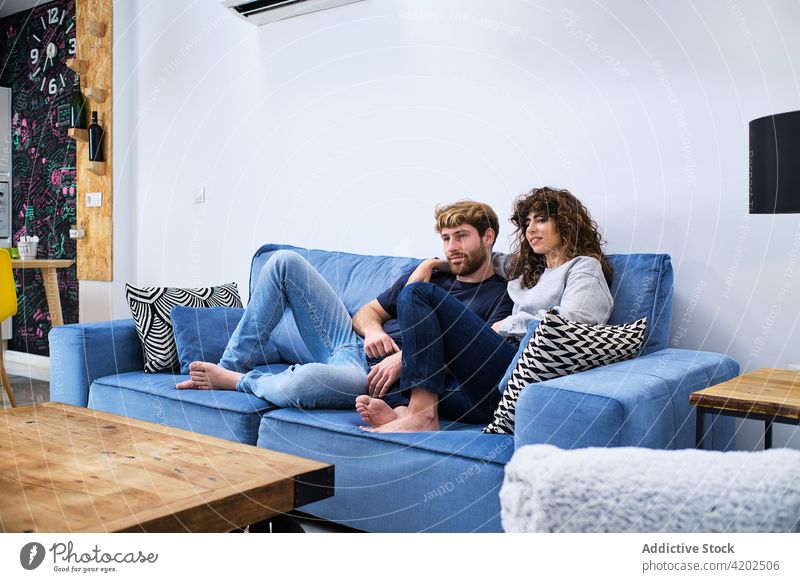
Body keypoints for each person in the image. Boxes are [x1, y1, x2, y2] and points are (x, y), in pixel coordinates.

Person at [176, 201, 513, 410]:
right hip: (347, 345)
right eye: (446, 237)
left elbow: (475, 353)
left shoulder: (502, 295)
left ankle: (238, 381)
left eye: (462, 236)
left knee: (301, 383)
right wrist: (373, 330)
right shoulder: (427, 274)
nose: (451, 246)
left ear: (488, 237)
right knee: (283, 262)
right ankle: (228, 366)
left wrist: (407, 358)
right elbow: (365, 314)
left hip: (363, 375)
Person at [356, 186, 614, 433]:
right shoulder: (526, 269)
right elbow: (477, 258)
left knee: (417, 294)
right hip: (479, 387)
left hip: (513, 368)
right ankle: (402, 411)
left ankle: (421, 416)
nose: (530, 229)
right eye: (527, 222)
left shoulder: (584, 268)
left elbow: (573, 326)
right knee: (393, 377)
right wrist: (431, 264)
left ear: (566, 223)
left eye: (541, 220)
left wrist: (506, 325)